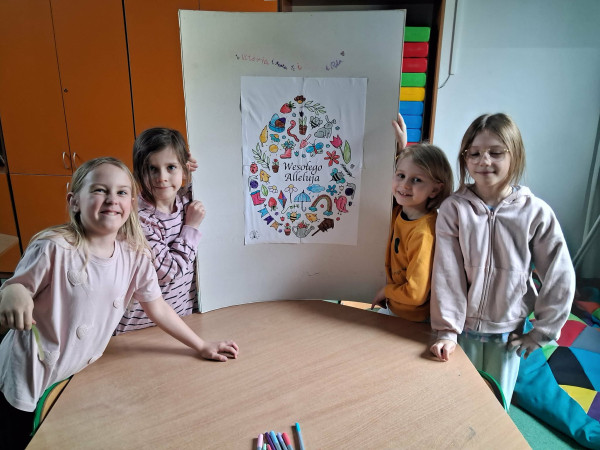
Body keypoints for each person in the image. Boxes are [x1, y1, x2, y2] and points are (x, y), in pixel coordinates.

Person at [0, 157, 238, 449]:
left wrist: (201, 345)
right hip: (27, 373)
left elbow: (158, 307)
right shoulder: (53, 247)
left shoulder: (135, 254)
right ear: (74, 201)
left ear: (132, 204)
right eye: (100, 190)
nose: (112, 198)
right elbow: (18, 287)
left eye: (122, 192)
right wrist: (12, 292)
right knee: (19, 438)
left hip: (72, 373)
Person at [429, 113, 575, 405]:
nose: (484, 161)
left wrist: (542, 332)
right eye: (474, 153)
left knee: (496, 405)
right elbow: (447, 275)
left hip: (508, 333)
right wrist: (446, 331)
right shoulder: (454, 209)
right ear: (465, 158)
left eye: (495, 152)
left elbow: (559, 274)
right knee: (456, 401)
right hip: (462, 330)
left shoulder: (536, 212)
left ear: (514, 155)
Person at [115, 128, 203, 334]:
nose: (162, 177)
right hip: (140, 328)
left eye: (171, 167)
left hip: (181, 319)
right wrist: (190, 227)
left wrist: (196, 169)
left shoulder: (185, 201)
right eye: (152, 169)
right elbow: (168, 271)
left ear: (184, 169)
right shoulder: (139, 218)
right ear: (139, 173)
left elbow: (217, 185)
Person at [371, 114, 453, 321]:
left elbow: (415, 294)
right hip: (397, 308)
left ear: (435, 189)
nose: (405, 185)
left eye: (416, 180)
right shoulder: (401, 210)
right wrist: (401, 148)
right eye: (401, 176)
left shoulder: (423, 233)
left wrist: (386, 291)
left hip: (413, 319)